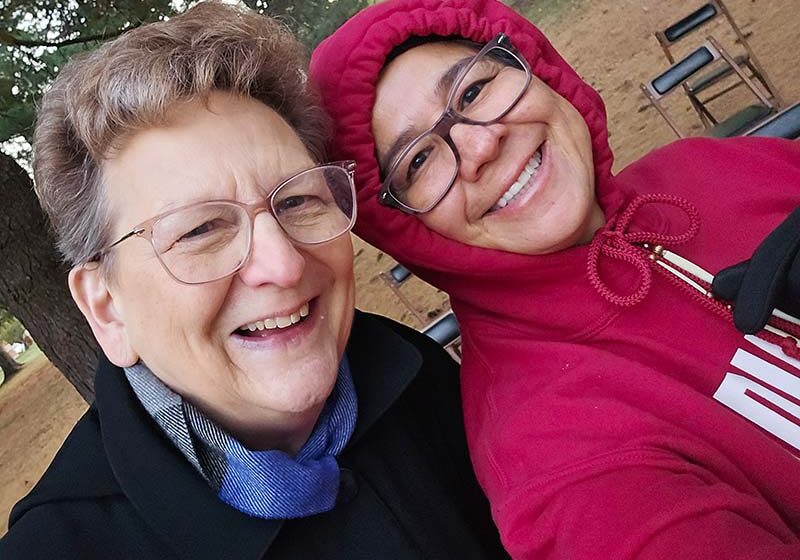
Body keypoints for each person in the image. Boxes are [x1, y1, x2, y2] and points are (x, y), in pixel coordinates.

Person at [0, 3, 509, 559]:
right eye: (199, 231)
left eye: (297, 200)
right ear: (107, 309)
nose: (284, 264)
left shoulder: (414, 374)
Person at [310, 0, 800, 557]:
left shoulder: (706, 167)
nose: (479, 144)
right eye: (419, 162)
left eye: (472, 92)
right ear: (408, 231)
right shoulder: (552, 451)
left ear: (533, 67)